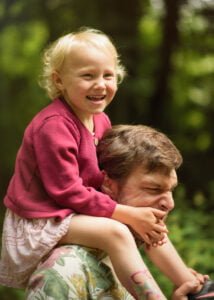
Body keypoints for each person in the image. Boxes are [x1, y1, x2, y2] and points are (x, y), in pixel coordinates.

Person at [0, 27, 169, 300]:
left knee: (145, 212)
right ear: (59, 81)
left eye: (108, 75)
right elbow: (66, 191)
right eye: (87, 76)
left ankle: (186, 282)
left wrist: (135, 210)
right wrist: (124, 214)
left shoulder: (100, 120)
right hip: (42, 218)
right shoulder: (53, 125)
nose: (100, 84)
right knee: (116, 230)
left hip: (73, 211)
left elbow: (103, 177)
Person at [26, 125, 214, 300]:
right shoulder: (65, 270)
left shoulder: (127, 259)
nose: (170, 204)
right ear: (109, 184)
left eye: (170, 190)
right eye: (153, 189)